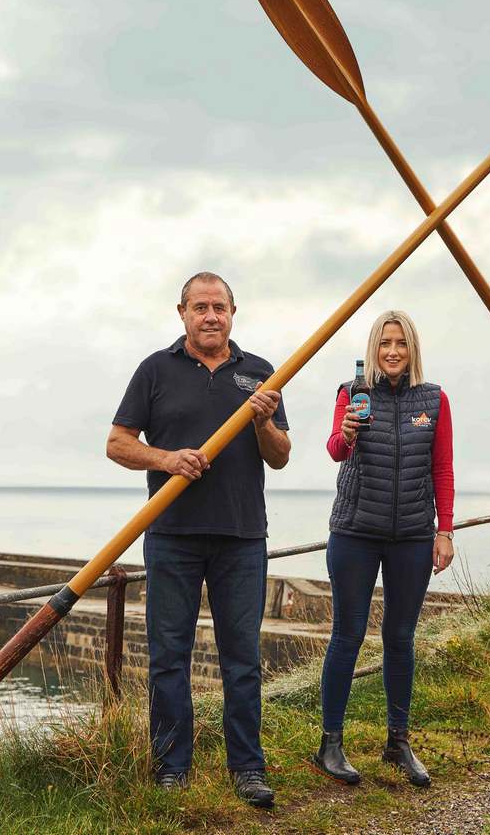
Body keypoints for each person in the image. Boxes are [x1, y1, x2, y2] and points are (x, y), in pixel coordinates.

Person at [106, 271, 290, 808]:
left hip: (241, 537)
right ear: (181, 312)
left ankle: (248, 769)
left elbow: (280, 455)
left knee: (242, 659)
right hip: (171, 536)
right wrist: (167, 459)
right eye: (200, 307)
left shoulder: (259, 372)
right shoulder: (155, 370)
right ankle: (171, 767)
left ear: (234, 313)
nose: (211, 316)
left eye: (220, 307)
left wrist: (260, 423)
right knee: (168, 657)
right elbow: (117, 443)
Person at [312, 310, 454, 789]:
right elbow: (335, 449)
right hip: (355, 530)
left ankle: (398, 743)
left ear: (412, 349)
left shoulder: (433, 400)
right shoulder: (352, 393)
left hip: (413, 534)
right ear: (373, 350)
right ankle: (330, 743)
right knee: (347, 636)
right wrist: (347, 432)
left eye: (401, 343)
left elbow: (442, 469)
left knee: (400, 638)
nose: (392, 351)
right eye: (384, 343)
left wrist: (445, 530)